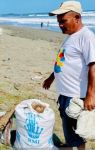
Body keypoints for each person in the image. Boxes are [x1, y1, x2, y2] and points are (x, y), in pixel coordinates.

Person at [43, 1, 95, 149]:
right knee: (67, 126)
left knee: (78, 130)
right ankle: (70, 145)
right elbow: (64, 62)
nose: (60, 25)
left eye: (63, 21)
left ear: (77, 18)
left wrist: (91, 95)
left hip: (76, 95)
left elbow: (93, 66)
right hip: (65, 93)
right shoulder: (71, 37)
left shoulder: (87, 36)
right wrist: (51, 77)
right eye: (58, 21)